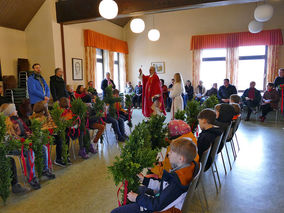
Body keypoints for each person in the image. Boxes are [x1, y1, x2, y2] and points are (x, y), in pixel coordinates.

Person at [111, 138, 198, 213]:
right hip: (160, 201)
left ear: (181, 159)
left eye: (172, 152)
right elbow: (165, 187)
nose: (168, 154)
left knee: (116, 212)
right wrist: (145, 180)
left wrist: (137, 198)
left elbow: (157, 205)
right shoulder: (184, 170)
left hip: (161, 209)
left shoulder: (178, 183)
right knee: (138, 189)